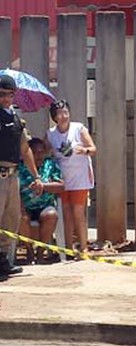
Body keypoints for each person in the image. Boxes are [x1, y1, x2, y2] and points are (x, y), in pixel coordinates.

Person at [0, 74, 43, 279]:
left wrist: (36, 176)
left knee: (11, 220)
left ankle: (3, 261)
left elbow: (25, 149)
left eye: (10, 94)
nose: (6, 99)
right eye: (2, 95)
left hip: (13, 175)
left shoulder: (17, 119)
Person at [45, 100, 96, 253]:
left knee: (78, 213)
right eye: (59, 113)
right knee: (66, 214)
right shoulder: (51, 134)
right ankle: (68, 248)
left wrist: (85, 151)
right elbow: (42, 150)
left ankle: (84, 247)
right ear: (54, 117)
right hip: (62, 179)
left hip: (80, 177)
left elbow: (93, 148)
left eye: (65, 112)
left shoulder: (79, 128)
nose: (63, 116)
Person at [18, 137, 64, 264]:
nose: (38, 156)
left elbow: (61, 186)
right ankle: (29, 251)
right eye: (34, 153)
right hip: (25, 206)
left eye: (41, 152)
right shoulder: (20, 167)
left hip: (45, 205)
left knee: (51, 215)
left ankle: (40, 252)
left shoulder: (50, 165)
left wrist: (43, 186)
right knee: (20, 217)